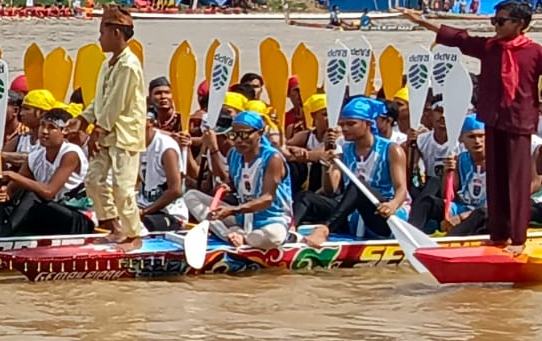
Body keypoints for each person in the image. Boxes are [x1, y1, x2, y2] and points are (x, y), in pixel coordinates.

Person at [404, 0, 542, 251]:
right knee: (496, 180)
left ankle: (518, 239)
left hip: (520, 122)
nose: (495, 26)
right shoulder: (490, 47)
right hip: (492, 118)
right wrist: (421, 22)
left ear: (519, 24)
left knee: (516, 181)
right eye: (494, 21)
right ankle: (499, 235)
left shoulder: (535, 52)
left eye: (501, 21)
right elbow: (459, 38)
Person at [300, 97, 410, 247]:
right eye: (342, 124)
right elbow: (330, 190)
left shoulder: (392, 149)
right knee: (304, 196)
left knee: (358, 186)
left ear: (367, 124)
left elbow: (401, 190)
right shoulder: (344, 149)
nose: (344, 129)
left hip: (384, 215)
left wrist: (392, 204)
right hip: (354, 213)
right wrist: (328, 165)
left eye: (351, 124)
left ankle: (325, 229)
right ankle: (290, 229)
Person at [82, 6, 147, 248]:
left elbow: (115, 104)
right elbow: (100, 101)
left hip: (124, 134)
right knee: (94, 180)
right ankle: (112, 225)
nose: (99, 38)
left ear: (116, 33)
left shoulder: (129, 65)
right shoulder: (108, 64)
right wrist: (83, 119)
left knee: (122, 186)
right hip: (106, 132)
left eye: (102, 32)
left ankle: (133, 234)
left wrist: (96, 131)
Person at [184, 111, 293, 250]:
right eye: (234, 135)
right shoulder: (234, 154)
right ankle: (229, 235)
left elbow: (267, 198)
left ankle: (243, 237)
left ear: (260, 133)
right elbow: (232, 182)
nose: (239, 140)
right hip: (243, 217)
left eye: (244, 134)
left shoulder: (273, 158)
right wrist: (226, 186)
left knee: (273, 237)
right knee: (191, 196)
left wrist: (233, 210)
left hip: (271, 220)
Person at [0, 107, 90, 236]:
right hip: (51, 214)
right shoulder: (35, 157)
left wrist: (13, 176)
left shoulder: (70, 153)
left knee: (32, 196)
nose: (44, 131)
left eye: (52, 127)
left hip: (77, 218)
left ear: (64, 132)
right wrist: (2, 190)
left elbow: (48, 192)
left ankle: (2, 237)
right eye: (42, 125)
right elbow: (11, 191)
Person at [410, 115, 487, 234]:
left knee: (481, 213)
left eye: (481, 136)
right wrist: (448, 172)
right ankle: (411, 235)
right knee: (427, 202)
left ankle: (451, 238)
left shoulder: (498, 162)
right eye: (471, 137)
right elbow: (447, 195)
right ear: (461, 139)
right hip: (465, 207)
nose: (477, 141)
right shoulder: (460, 160)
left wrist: (461, 217)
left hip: (488, 213)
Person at [139, 103, 188, 231]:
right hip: (145, 205)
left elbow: (175, 190)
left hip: (169, 213)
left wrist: (145, 211)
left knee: (145, 224)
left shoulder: (166, 147)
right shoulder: (136, 144)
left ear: (149, 122)